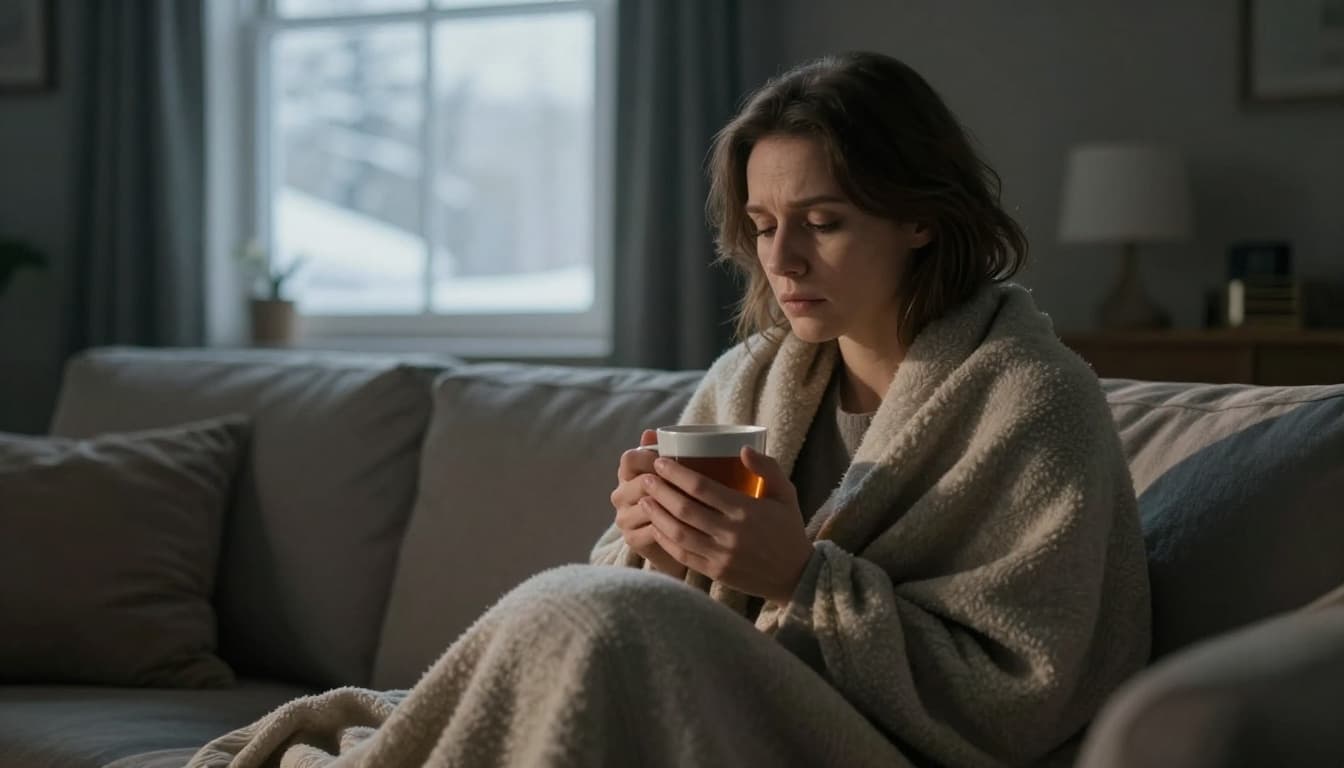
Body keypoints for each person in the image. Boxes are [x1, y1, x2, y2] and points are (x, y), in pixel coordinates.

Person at [190, 51, 1149, 768]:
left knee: (600, 616)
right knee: (594, 602)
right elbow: (641, 597)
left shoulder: (1033, 401)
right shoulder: (751, 378)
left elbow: (1024, 690)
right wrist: (649, 542)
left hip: (862, 747)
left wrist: (802, 578)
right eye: (766, 227)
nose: (783, 261)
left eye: (824, 222)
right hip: (709, 709)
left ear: (920, 217)